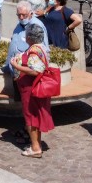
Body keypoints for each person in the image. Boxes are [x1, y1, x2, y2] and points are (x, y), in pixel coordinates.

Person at [10, 24, 55, 158]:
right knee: (35, 117)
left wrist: (16, 65)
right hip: (33, 88)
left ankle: (35, 148)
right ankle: (36, 144)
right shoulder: (42, 47)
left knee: (31, 118)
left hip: (30, 89)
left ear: (30, 37)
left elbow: (35, 71)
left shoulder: (34, 50)